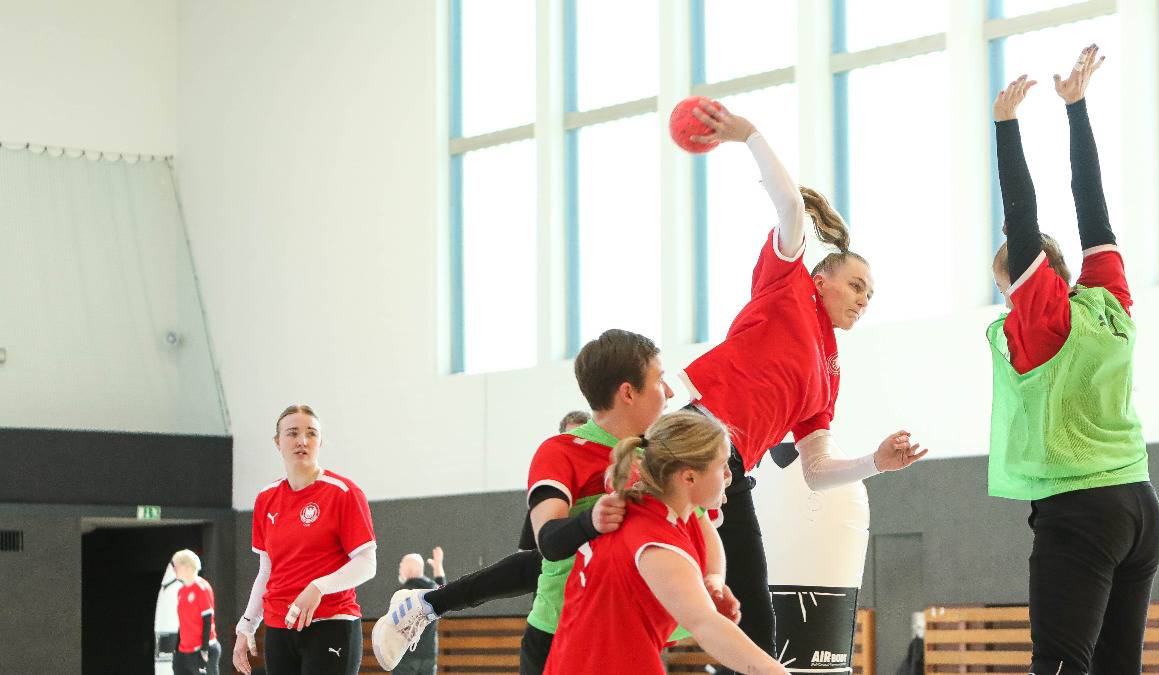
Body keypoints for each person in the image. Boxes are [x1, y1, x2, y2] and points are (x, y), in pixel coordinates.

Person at [676, 101, 929, 662]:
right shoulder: (785, 284)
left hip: (730, 469)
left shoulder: (829, 371)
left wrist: (874, 462)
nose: (863, 300)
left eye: (871, 295)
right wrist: (748, 134)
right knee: (620, 558)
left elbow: (815, 471)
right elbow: (790, 204)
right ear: (820, 279)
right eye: (856, 286)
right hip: (694, 432)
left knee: (754, 621)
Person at [373, 330, 726, 675]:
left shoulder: (661, 458)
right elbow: (549, 542)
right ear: (628, 392)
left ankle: (430, 602)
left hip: (635, 633)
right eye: (659, 379)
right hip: (563, 634)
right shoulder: (562, 451)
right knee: (533, 563)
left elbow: (704, 529)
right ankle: (427, 603)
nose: (669, 391)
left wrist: (713, 579)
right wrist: (590, 521)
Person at [986, 45, 1159, 674]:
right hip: (1139, 505)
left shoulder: (1042, 320)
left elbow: (1021, 216)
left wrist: (1005, 126)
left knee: (1059, 665)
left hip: (1081, 508)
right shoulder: (1109, 301)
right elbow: (1094, 208)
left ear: (1020, 281)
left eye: (1003, 286)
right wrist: (1076, 108)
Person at [544, 411, 785, 675]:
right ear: (689, 478)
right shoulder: (653, 538)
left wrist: (713, 582)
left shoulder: (671, 511)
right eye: (722, 466)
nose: (729, 475)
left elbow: (710, 545)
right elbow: (705, 626)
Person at [232, 405, 377, 675]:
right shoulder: (266, 498)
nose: (302, 440)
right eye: (292, 433)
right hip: (279, 627)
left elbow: (367, 564)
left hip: (332, 623)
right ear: (277, 442)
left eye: (311, 433)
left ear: (320, 442)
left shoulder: (343, 493)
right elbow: (266, 570)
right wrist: (247, 625)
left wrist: (319, 587)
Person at [391, 548, 447, 675]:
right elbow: (444, 594)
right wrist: (438, 567)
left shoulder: (401, 594)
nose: (400, 569)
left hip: (405, 656)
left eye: (402, 566)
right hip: (428, 655)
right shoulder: (432, 589)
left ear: (409, 569)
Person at [172, 549, 221, 675]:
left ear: (187, 566)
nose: (174, 569)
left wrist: (204, 650)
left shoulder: (202, 588)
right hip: (184, 652)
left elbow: (207, 620)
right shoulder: (181, 591)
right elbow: (183, 623)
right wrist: (177, 650)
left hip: (202, 650)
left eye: (177, 565)